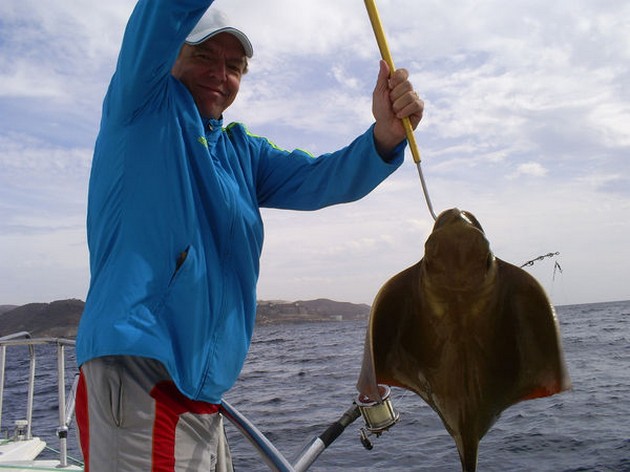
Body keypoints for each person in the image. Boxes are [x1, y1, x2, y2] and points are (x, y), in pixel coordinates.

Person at [75, 1, 424, 470]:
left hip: (204, 398)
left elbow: (326, 178)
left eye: (234, 66)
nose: (220, 73)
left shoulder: (243, 152)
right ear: (169, 54)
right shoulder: (141, 103)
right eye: (204, 56)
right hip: (141, 379)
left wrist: (385, 133)